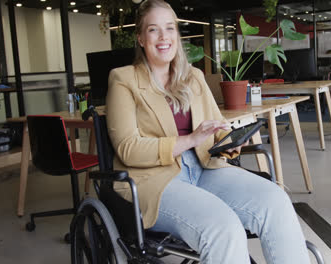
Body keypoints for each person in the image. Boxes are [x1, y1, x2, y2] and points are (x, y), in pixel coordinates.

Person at [106, 0, 310, 263]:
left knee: (276, 202)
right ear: (141, 38)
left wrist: (228, 141)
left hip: (204, 167)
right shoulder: (123, 79)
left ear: (177, 35)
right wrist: (190, 139)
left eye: (169, 28)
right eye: (153, 30)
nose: (163, 37)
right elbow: (128, 148)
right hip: (156, 179)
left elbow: (214, 128)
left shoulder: (193, 77)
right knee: (222, 227)